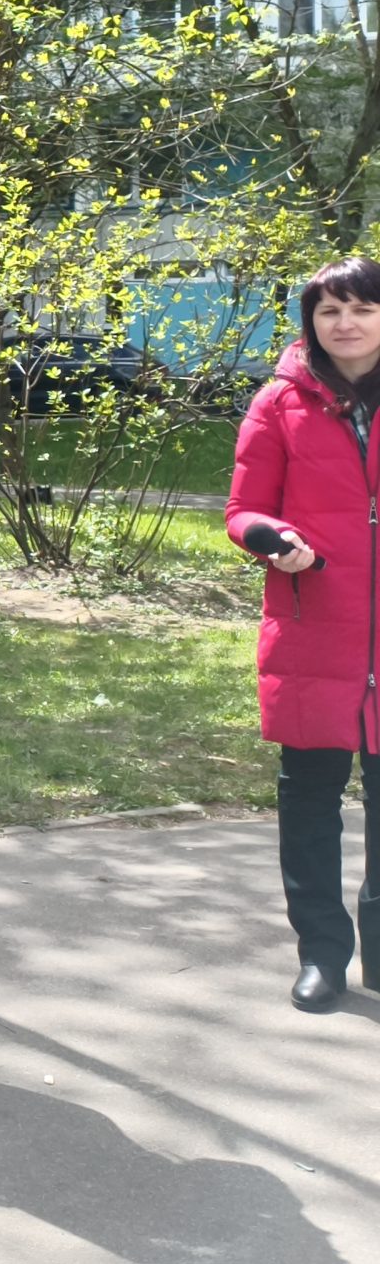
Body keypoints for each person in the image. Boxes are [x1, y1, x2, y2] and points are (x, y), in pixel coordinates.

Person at [224, 255, 380, 1011]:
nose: (345, 324)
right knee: (310, 805)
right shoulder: (278, 402)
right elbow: (242, 509)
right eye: (329, 311)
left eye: (362, 309)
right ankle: (322, 953)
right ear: (311, 322)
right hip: (314, 628)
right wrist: (271, 537)